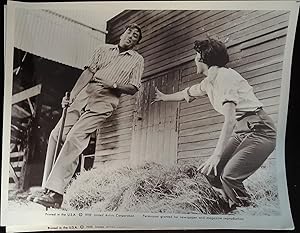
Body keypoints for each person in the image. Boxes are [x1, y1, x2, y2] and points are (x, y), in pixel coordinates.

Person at [28, 23, 144, 208]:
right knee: (55, 135)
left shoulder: (137, 60)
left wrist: (113, 85)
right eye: (129, 32)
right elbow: (88, 72)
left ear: (137, 42)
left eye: (135, 36)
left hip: (106, 99)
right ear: (122, 33)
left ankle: (57, 193)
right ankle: (46, 188)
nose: (131, 36)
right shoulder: (102, 49)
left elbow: (134, 87)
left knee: (75, 138)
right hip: (85, 93)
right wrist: (71, 97)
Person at [153, 38, 276, 212]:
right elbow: (186, 93)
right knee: (212, 174)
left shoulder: (225, 77)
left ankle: (251, 213)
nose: (195, 59)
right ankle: (231, 206)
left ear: (203, 57)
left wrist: (217, 154)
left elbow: (230, 119)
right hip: (243, 129)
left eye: (196, 55)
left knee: (230, 176)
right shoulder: (209, 82)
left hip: (260, 129)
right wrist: (164, 97)